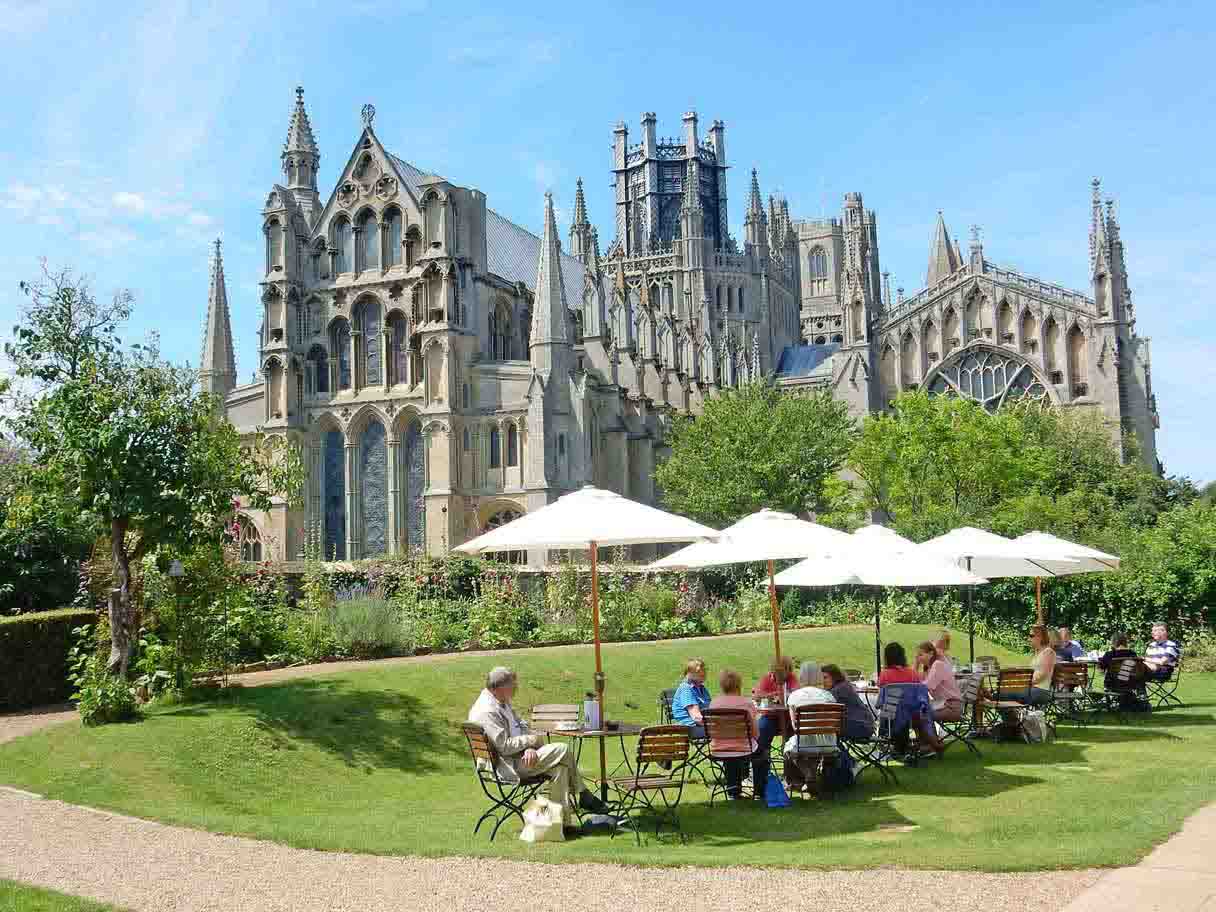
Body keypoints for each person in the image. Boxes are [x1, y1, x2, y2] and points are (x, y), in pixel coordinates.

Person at [468, 666, 610, 834]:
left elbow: (521, 726)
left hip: (520, 758)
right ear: (500, 687)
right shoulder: (488, 710)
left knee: (560, 769)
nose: (515, 689)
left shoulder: (501, 702)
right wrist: (532, 740)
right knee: (562, 749)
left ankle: (561, 827)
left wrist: (528, 747)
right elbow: (504, 746)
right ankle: (583, 794)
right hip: (508, 767)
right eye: (513, 685)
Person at [707, 669, 768, 800]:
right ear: (738, 685)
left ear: (722, 685)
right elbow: (755, 733)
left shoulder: (714, 703)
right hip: (744, 748)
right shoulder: (746, 703)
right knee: (762, 755)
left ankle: (733, 791)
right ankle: (759, 791)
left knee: (730, 754)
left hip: (718, 748)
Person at [783, 661, 839, 794]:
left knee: (790, 747)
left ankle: (804, 775)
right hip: (829, 743)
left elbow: (795, 726)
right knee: (812, 744)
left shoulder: (794, 696)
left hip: (803, 744)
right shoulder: (829, 696)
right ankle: (813, 776)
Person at [999, 626, 1055, 706]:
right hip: (1031, 688)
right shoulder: (1037, 653)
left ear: (1040, 637)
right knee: (1000, 692)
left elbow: (1040, 676)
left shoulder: (1048, 652)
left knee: (1001, 694)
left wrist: (1020, 683)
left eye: (1031, 636)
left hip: (1040, 690)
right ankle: (1014, 716)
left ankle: (1013, 717)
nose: (1028, 639)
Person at [822, 664, 875, 740]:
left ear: (835, 677)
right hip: (864, 724)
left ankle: (838, 751)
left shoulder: (839, 689)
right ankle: (838, 751)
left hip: (860, 726)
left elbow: (824, 704)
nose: (823, 681)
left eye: (825, 678)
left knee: (826, 729)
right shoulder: (843, 685)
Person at [915, 641, 962, 723]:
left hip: (951, 707)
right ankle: (928, 735)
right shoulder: (929, 670)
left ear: (931, 653)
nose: (919, 658)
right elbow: (914, 679)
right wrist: (916, 663)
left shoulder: (938, 665)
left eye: (921, 655)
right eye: (917, 656)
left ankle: (929, 736)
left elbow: (927, 686)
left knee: (920, 716)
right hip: (942, 705)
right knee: (917, 714)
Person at [1098, 632, 1146, 701]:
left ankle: (1111, 698)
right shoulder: (1132, 654)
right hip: (1132, 682)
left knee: (1109, 675)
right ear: (1125, 642)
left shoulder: (1109, 654)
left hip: (1113, 683)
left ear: (1113, 642)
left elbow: (1100, 668)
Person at [671, 658, 711, 739]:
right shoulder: (686, 689)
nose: (704, 673)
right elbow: (696, 718)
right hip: (691, 728)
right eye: (700, 671)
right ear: (690, 673)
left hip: (703, 726)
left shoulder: (702, 688)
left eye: (704, 670)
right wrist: (715, 726)